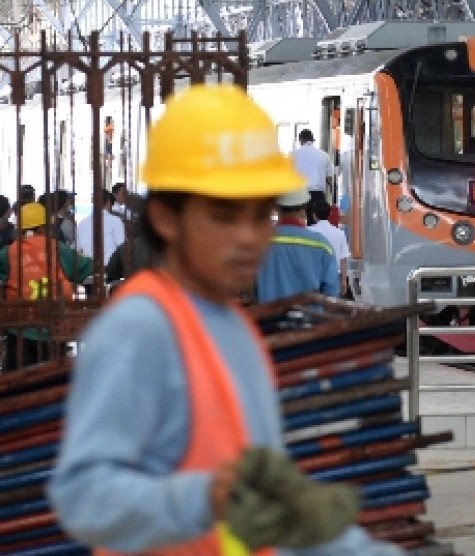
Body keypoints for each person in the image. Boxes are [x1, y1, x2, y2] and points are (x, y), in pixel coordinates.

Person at [48, 84, 403, 556]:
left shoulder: (233, 327)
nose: (248, 238)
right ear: (166, 218)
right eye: (224, 216)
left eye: (260, 216)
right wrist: (206, 496)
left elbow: (262, 507)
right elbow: (83, 497)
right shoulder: (140, 330)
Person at [0, 202, 92, 370]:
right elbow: (88, 269)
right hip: (53, 330)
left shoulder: (9, 252)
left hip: (20, 329)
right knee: (52, 382)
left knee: (17, 383)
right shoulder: (58, 249)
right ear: (44, 228)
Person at [256, 188, 340, 303]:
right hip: (313, 319)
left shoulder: (259, 244)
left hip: (266, 319)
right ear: (304, 209)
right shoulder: (322, 245)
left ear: (275, 208)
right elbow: (331, 292)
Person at [308, 197, 351, 297]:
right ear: (329, 214)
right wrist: (344, 280)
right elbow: (343, 259)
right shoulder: (339, 233)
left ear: (314, 215)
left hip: (312, 277)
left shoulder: (308, 232)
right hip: (333, 277)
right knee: (331, 307)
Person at [291, 128, 334, 224]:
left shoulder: (293, 155)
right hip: (317, 195)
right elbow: (330, 179)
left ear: (300, 140)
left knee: (299, 221)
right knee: (316, 222)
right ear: (312, 140)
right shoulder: (324, 155)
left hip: (299, 194)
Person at [75, 189, 126, 264]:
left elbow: (77, 250)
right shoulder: (116, 221)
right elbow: (122, 248)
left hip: (88, 269)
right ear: (108, 202)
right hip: (109, 269)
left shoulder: (82, 224)